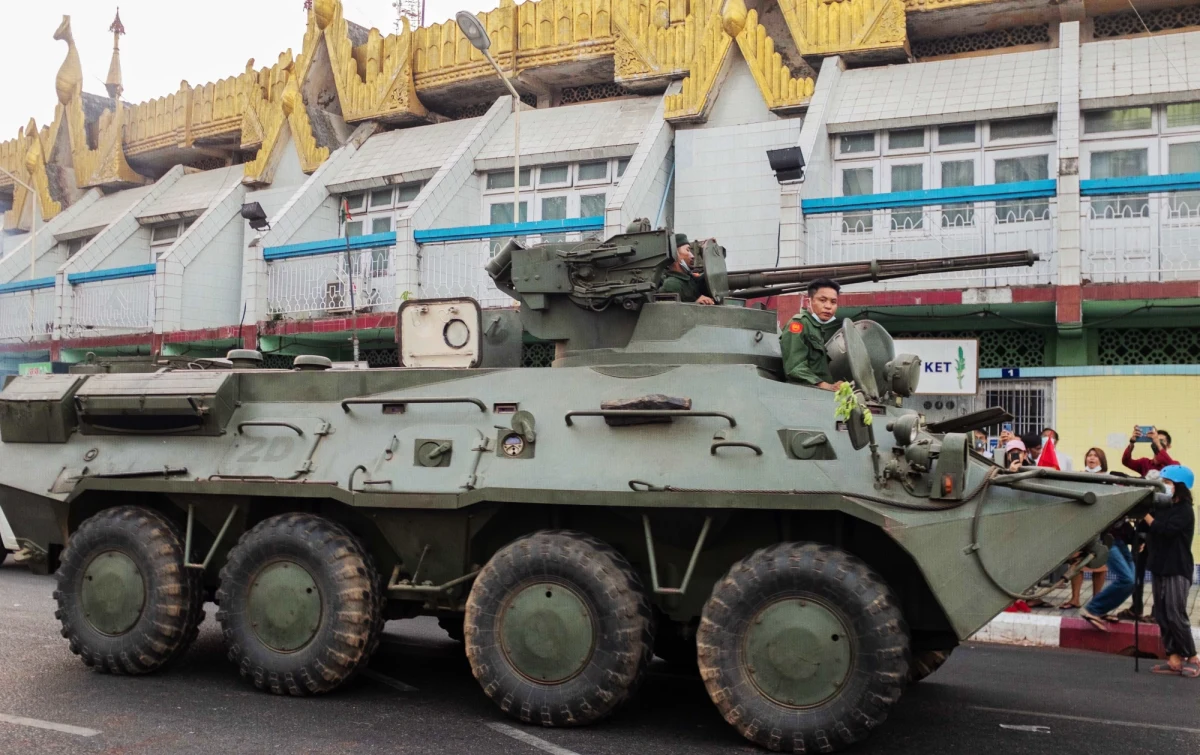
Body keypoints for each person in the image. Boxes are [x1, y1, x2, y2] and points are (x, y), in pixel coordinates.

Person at [1144, 465, 1198, 677]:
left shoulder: (1184, 510)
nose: (1164, 486)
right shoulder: (1162, 507)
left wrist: (1146, 517)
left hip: (1177, 567)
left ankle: (1191, 656)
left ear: (1179, 487)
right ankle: (1173, 656)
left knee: (1176, 614)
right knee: (1162, 613)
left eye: (1167, 483)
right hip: (1159, 564)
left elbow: (1165, 530)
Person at [780, 278, 845, 391]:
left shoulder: (816, 328)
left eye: (833, 302)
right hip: (803, 396)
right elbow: (795, 367)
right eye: (822, 300)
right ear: (808, 302)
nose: (828, 306)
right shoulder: (798, 323)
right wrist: (826, 386)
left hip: (817, 395)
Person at [659, 234, 715, 305]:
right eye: (687, 250)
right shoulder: (672, 284)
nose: (692, 256)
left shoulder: (689, 279)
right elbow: (670, 313)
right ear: (675, 254)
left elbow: (709, 279)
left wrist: (709, 251)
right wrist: (696, 304)